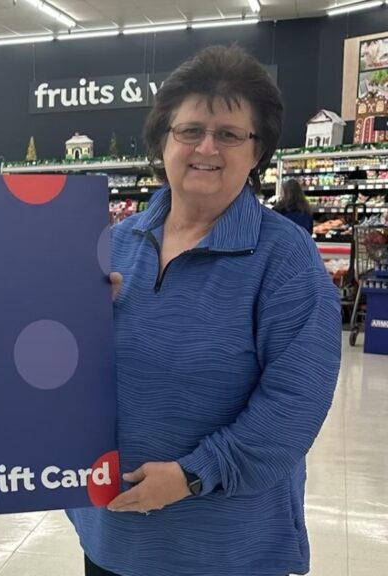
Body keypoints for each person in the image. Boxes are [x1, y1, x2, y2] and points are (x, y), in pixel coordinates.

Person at [67, 46, 341, 576]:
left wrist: (195, 474)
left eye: (229, 134)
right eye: (190, 130)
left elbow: (295, 402)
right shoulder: (113, 244)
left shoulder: (284, 258)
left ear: (256, 151)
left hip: (226, 547)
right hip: (112, 532)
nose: (206, 147)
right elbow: (63, 378)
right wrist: (72, 327)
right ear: (163, 139)